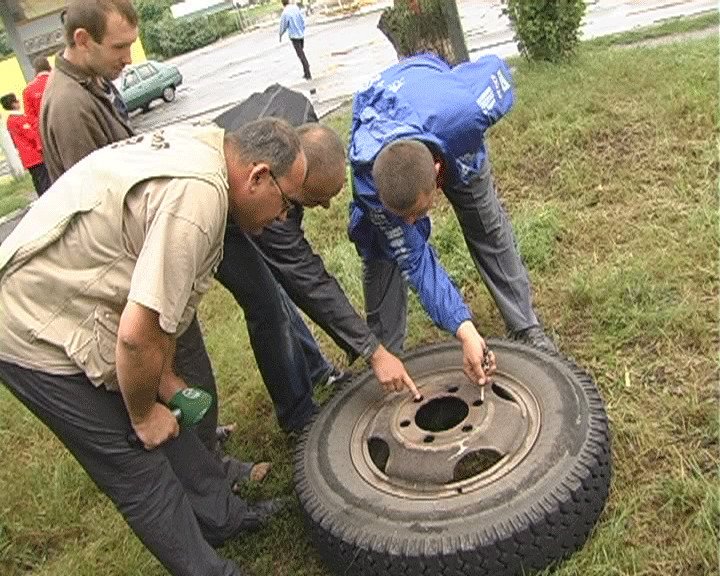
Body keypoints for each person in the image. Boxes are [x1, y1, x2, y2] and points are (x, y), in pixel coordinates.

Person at [0, 118, 306, 576]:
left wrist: (162, 382)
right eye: (287, 204)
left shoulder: (213, 148)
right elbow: (136, 335)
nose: (284, 218)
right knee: (137, 465)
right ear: (258, 176)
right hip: (31, 323)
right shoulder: (197, 200)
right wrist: (143, 413)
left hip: (89, 301)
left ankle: (223, 518)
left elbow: (156, 310)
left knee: (172, 421)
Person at [213, 85, 419, 434]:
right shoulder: (271, 188)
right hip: (222, 208)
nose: (323, 207)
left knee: (280, 281)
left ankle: (318, 373)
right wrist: (373, 350)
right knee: (267, 302)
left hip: (252, 175)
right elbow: (308, 279)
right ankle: (298, 417)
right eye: (318, 199)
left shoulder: (302, 129)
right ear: (293, 187)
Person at [348, 53, 558, 389]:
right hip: (387, 109)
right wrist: (464, 328)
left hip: (444, 119)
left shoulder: (466, 117)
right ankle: (386, 351)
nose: (414, 222)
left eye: (418, 211)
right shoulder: (369, 179)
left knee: (486, 226)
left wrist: (465, 330)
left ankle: (525, 326)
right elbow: (415, 261)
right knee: (384, 245)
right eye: (405, 217)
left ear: (436, 174)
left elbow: (495, 68)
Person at [40, 0, 136, 182]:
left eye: (130, 45)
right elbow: (98, 198)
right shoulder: (70, 105)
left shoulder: (93, 79)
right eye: (119, 47)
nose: (128, 59)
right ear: (83, 41)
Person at [1, 93, 51, 195]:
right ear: (13, 104)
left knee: (38, 180)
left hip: (27, 157)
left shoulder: (11, 120)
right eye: (17, 101)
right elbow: (32, 135)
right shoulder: (18, 119)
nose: (19, 103)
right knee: (44, 180)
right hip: (34, 155)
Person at [279, 0, 311, 80]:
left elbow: (283, 25)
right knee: (302, 52)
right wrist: (302, 28)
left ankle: (307, 71)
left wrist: (280, 34)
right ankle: (306, 69)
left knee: (301, 55)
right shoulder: (296, 8)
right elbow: (302, 19)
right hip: (301, 34)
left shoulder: (285, 13)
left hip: (294, 36)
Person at [22, 56, 52, 130]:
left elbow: (30, 117)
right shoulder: (60, 80)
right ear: (49, 67)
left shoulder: (28, 90)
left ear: (35, 70)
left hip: (46, 131)